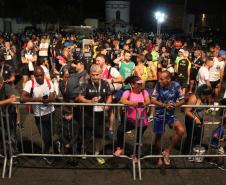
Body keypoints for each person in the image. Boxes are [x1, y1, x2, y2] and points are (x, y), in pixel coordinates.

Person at [78, 64, 112, 165]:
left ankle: (97, 153)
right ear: (90, 75)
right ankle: (83, 151)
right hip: (88, 113)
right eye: (93, 75)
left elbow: (109, 95)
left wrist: (108, 104)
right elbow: (80, 97)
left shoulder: (105, 83)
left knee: (99, 135)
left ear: (101, 74)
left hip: (100, 114)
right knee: (86, 134)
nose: (96, 77)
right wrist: (90, 101)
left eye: (97, 74)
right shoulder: (85, 83)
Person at [21, 66, 55, 165]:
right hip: (39, 115)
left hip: (51, 113)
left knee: (51, 135)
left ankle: (48, 151)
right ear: (34, 76)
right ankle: (47, 154)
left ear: (44, 74)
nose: (39, 77)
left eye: (41, 75)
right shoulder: (30, 83)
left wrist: (49, 100)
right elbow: (22, 98)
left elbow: (53, 95)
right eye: (37, 76)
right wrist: (38, 100)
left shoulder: (49, 82)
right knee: (45, 137)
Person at [151, 71, 185, 166]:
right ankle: (158, 156)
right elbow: (152, 99)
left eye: (162, 79)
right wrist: (163, 105)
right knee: (158, 138)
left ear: (168, 79)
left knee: (181, 130)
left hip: (170, 115)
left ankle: (167, 151)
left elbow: (183, 100)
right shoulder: (158, 85)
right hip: (159, 115)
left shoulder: (176, 85)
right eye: (159, 78)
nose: (159, 80)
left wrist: (175, 105)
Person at [113, 76, 150, 157]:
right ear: (132, 85)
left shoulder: (144, 92)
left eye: (141, 83)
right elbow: (122, 100)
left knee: (138, 139)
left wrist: (142, 104)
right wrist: (136, 104)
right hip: (131, 120)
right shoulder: (127, 92)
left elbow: (148, 101)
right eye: (139, 84)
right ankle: (120, 148)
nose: (141, 85)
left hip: (142, 121)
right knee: (120, 130)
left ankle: (136, 155)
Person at [184, 84, 212, 155]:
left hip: (200, 120)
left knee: (199, 136)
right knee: (191, 136)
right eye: (206, 94)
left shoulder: (205, 98)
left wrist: (205, 116)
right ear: (202, 93)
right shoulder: (194, 98)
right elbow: (187, 111)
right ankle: (187, 152)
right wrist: (196, 118)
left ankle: (194, 152)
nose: (208, 96)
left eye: (208, 94)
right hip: (191, 120)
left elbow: (203, 109)